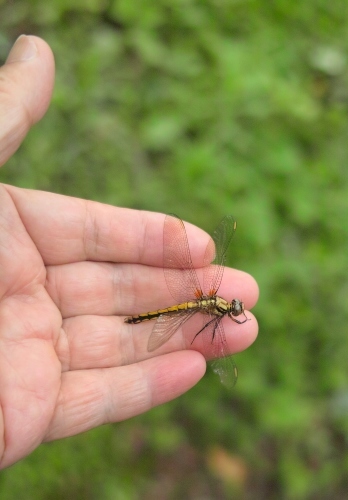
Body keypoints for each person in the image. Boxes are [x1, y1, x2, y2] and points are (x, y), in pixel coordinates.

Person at [0, 35, 259, 469]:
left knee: (193, 328)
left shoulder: (214, 306)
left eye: (230, 308)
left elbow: (207, 327)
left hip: (186, 305)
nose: (232, 308)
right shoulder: (211, 306)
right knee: (184, 324)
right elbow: (206, 328)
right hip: (176, 307)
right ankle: (140, 319)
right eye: (231, 307)